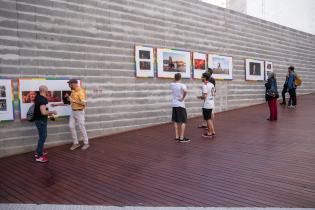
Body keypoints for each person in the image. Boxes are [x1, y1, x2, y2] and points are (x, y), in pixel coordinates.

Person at [52, 79, 89, 150]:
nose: (69, 85)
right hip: (73, 111)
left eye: (70, 84)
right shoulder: (73, 91)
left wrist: (73, 100)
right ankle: (76, 143)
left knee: (82, 127)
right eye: (69, 84)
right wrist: (56, 104)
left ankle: (86, 143)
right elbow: (69, 103)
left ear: (75, 83)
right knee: (71, 126)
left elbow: (84, 103)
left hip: (79, 112)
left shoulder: (80, 91)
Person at [34, 85, 57, 163]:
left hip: (39, 120)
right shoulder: (42, 99)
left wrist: (49, 114)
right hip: (41, 121)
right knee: (42, 137)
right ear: (45, 91)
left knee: (42, 136)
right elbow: (43, 112)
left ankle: (38, 152)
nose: (48, 91)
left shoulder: (38, 97)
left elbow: (43, 110)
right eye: (47, 90)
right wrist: (52, 112)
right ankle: (39, 156)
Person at [171, 73, 190, 142]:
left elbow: (174, 82)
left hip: (174, 104)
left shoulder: (172, 84)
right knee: (183, 121)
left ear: (174, 78)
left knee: (175, 120)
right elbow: (185, 91)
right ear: (180, 78)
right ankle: (181, 137)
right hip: (181, 104)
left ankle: (176, 136)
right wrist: (183, 98)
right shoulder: (182, 85)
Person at [198, 73, 216, 138]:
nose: (201, 78)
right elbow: (214, 94)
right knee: (209, 119)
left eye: (202, 77)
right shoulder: (212, 84)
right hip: (211, 103)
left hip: (207, 104)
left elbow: (204, 96)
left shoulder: (204, 85)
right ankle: (213, 131)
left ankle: (209, 133)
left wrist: (200, 97)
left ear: (205, 78)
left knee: (208, 119)